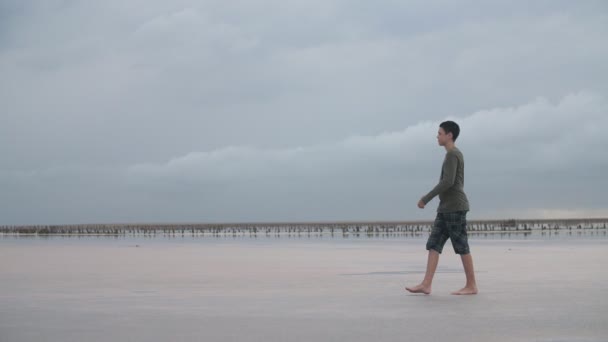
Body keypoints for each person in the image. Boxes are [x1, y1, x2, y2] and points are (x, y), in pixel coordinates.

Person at [405, 121, 478, 295]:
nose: (437, 136)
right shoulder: (450, 154)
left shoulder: (453, 154)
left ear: (449, 135)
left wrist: (426, 198)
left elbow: (448, 182)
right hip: (445, 208)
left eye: (439, 133)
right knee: (434, 244)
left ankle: (471, 285)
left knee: (461, 245)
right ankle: (426, 284)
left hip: (455, 207)